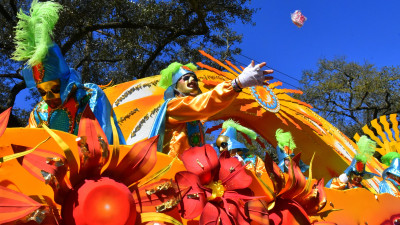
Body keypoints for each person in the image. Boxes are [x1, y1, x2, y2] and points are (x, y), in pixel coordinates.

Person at [12, 0, 125, 144]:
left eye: (55, 88)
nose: (49, 97)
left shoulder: (89, 95)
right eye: (42, 92)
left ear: (65, 82)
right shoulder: (38, 113)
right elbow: (32, 149)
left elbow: (104, 139)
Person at [149, 61, 273, 157]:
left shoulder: (192, 115)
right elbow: (204, 103)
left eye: (194, 78)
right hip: (173, 173)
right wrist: (237, 83)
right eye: (186, 78)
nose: (192, 80)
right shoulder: (173, 105)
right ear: (176, 86)